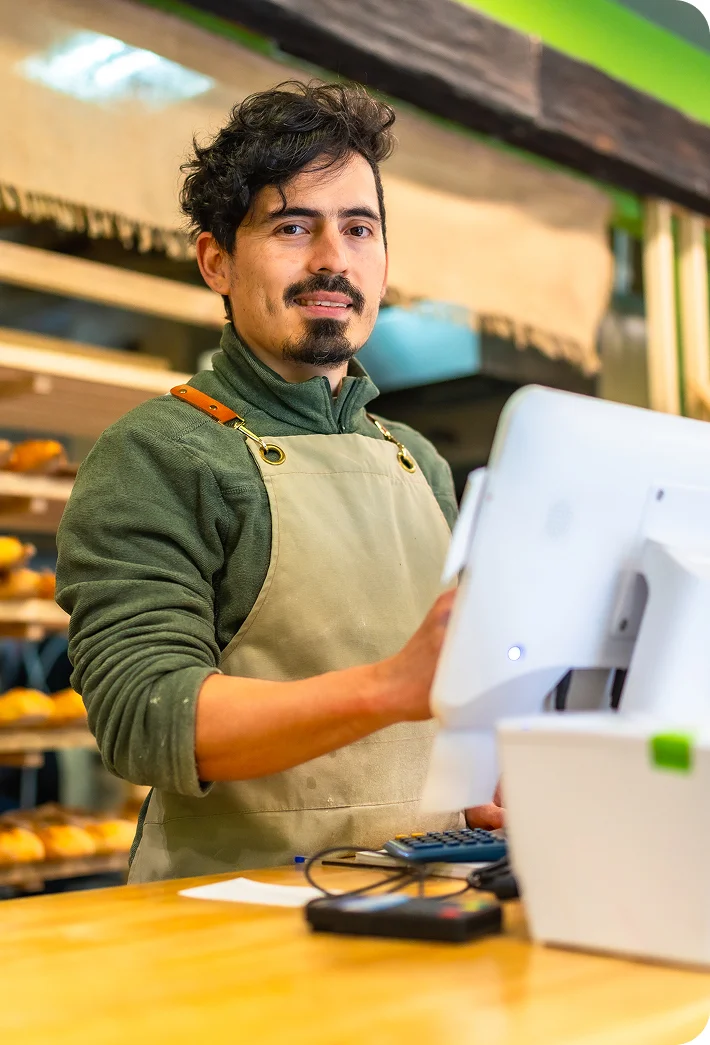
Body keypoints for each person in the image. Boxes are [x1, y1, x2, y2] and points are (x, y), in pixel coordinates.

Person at [55, 81, 502, 883]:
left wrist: (469, 789)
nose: (333, 257)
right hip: (229, 923)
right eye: (293, 225)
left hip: (428, 893)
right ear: (216, 260)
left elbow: (436, 708)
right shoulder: (160, 453)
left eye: (358, 228)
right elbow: (144, 716)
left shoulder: (417, 461)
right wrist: (389, 689)